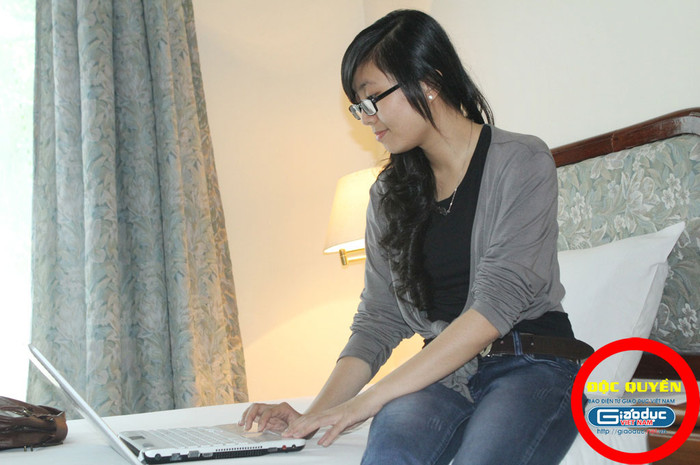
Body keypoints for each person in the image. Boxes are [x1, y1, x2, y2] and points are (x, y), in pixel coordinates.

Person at [240, 9, 592, 465]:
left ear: (428, 82)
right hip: (441, 379)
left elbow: (495, 306)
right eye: (358, 106)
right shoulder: (388, 195)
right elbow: (378, 321)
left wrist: (368, 402)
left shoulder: (522, 161)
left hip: (532, 362)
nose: (365, 117)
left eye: (372, 99)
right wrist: (313, 416)